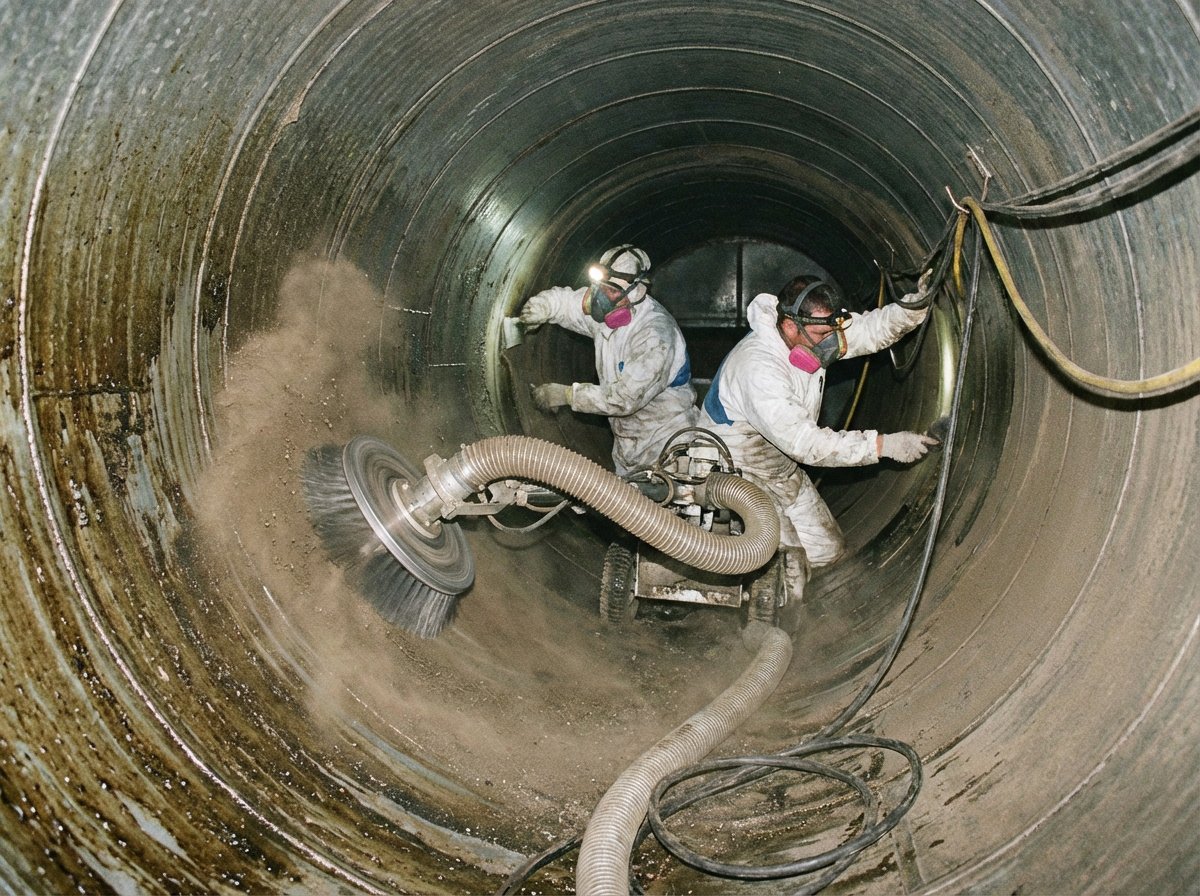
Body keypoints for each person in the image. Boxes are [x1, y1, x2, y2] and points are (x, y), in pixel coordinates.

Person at [699, 271, 938, 602]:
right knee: (787, 570)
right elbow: (806, 445)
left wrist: (914, 307)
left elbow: (868, 331)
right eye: (822, 334)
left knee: (827, 551)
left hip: (780, 470)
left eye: (834, 330)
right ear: (789, 327)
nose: (833, 342)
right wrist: (882, 446)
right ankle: (755, 616)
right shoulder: (758, 368)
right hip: (737, 475)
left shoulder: (814, 332)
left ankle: (760, 587)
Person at [519, 245, 699, 476]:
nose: (601, 298)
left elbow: (625, 399)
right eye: (599, 288)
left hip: (667, 446)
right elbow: (564, 302)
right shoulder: (607, 311)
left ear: (636, 292)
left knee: (665, 511)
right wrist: (539, 308)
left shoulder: (655, 335)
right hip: (627, 447)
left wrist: (566, 395)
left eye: (611, 291)